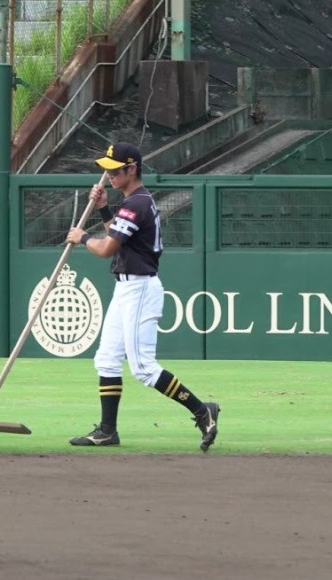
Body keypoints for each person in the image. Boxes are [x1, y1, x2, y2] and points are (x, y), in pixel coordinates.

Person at [63, 142, 220, 452]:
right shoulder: (130, 202)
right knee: (106, 359)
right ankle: (108, 430)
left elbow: (106, 249)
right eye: (106, 169)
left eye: (114, 169)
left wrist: (82, 238)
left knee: (143, 368)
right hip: (125, 287)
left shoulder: (136, 204)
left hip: (140, 288)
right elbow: (116, 239)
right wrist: (104, 208)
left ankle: (203, 411)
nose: (107, 174)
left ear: (131, 169)